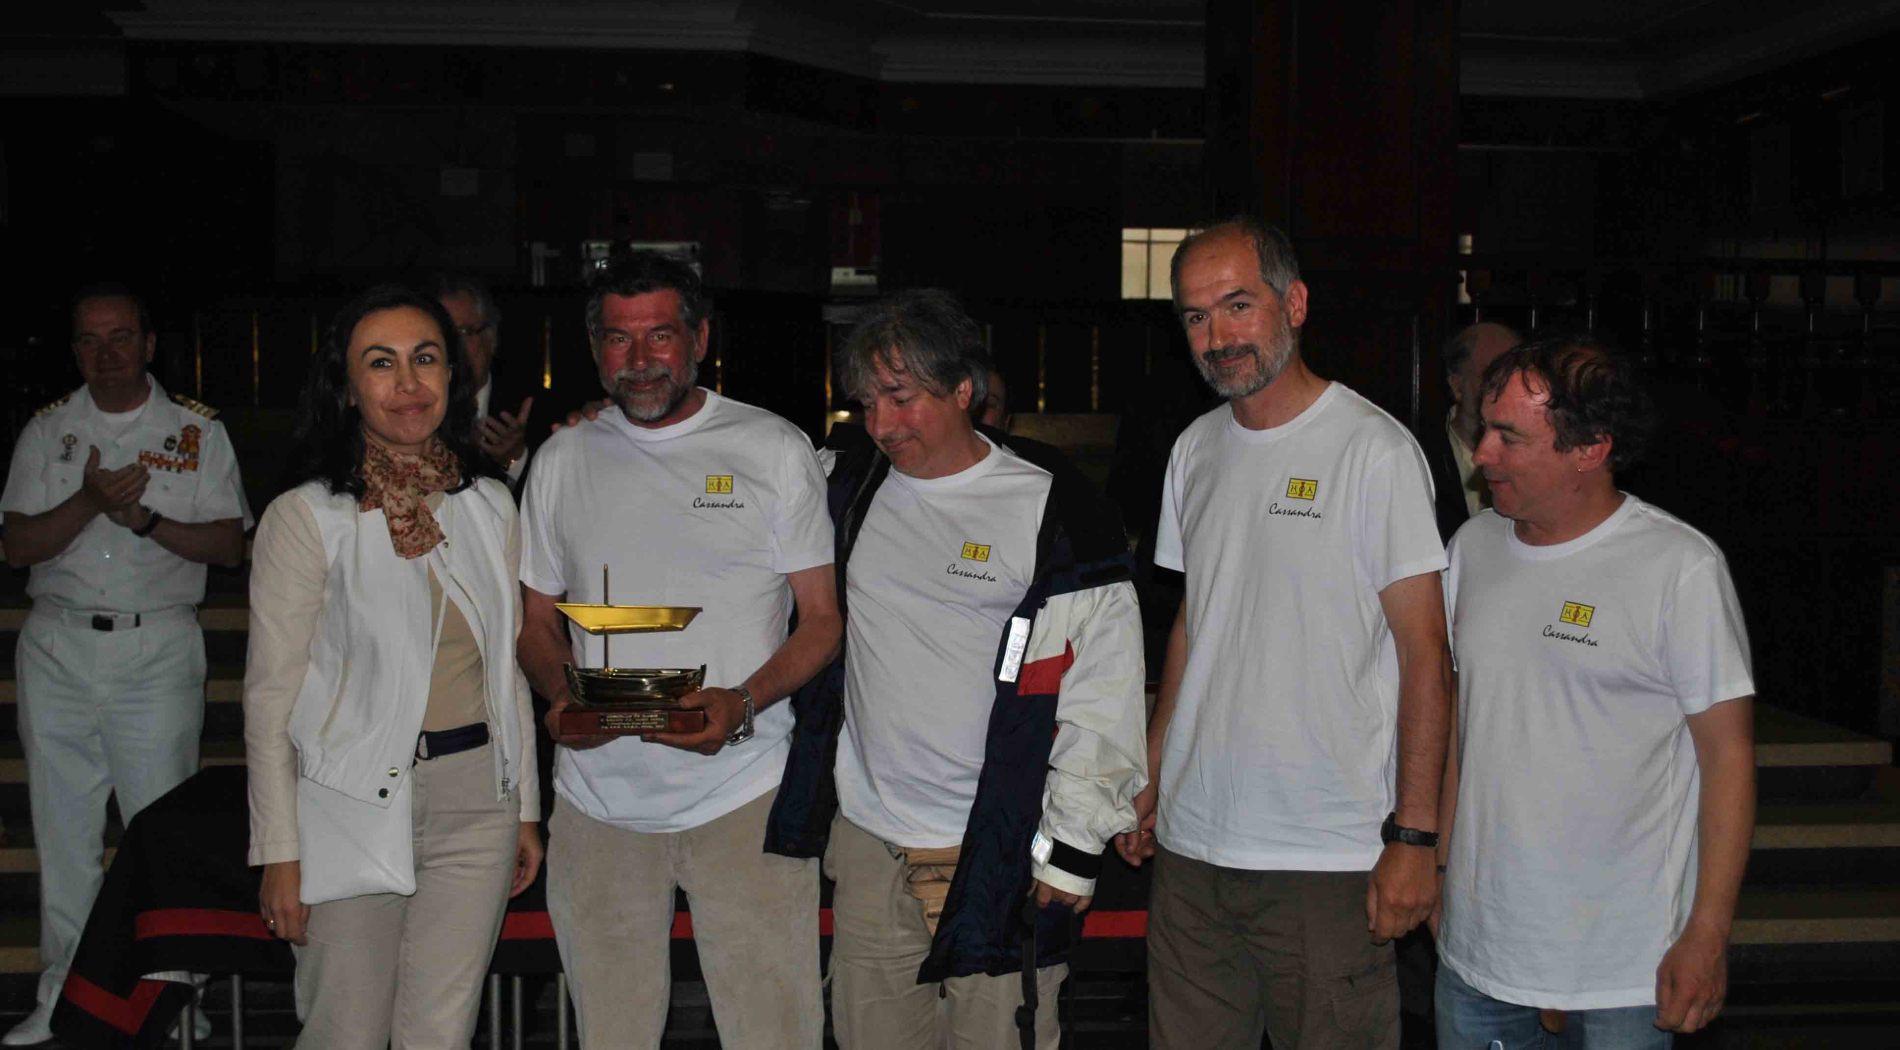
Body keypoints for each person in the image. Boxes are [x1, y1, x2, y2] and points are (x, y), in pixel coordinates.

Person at [767, 289, 1148, 1050]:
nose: (882, 424)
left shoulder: (1055, 509)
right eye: (867, 402)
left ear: (964, 389)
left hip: (1001, 846)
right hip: (871, 842)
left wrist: (1072, 853)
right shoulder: (846, 484)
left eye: (901, 398)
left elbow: (1102, 691)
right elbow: (731, 480)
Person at [1114, 217, 1453, 1050]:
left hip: (1326, 852)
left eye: (1238, 306)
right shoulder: (1194, 450)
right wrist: (1154, 766)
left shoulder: (1373, 450)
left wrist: (1416, 836)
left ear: (1294, 303)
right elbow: (1198, 620)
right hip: (1195, 845)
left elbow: (1426, 656)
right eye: (1196, 317)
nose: (1218, 337)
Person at [516, 251, 840, 1049]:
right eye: (618, 339)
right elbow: (535, 624)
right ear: (595, 349)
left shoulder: (772, 447)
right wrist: (560, 696)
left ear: (699, 338)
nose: (640, 359)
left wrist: (742, 702)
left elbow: (823, 621)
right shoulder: (560, 459)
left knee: (775, 1036)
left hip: (745, 793)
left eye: (659, 335)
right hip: (597, 805)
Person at [1434, 337, 1756, 1048]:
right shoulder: (1471, 550)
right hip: (1479, 957)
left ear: (1590, 449)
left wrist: (1708, 934)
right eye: (1484, 429)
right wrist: (1442, 870)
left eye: (1509, 437)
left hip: (1626, 970)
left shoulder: (1678, 567)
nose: (1482, 453)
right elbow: (1464, 729)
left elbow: (1728, 761)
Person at [244, 285, 543, 1049]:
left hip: (477, 800)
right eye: (381, 364)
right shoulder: (308, 516)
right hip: (351, 802)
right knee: (345, 1031)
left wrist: (524, 808)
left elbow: (505, 668)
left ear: (453, 376)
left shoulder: (488, 504)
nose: (408, 383)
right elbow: (271, 699)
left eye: (425, 359)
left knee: (440, 1032)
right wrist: (279, 852)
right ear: (347, 388)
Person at [1, 284, 251, 1046]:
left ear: (149, 344)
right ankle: (64, 996)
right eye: (88, 339)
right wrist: (88, 503)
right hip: (59, 644)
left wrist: (143, 519)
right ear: (74, 350)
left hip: (156, 646)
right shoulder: (48, 430)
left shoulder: (196, 432)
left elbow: (229, 545)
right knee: (64, 835)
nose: (104, 353)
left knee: (160, 834)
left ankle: (172, 1000)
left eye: (119, 337)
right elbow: (16, 545)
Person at [432, 274, 538, 485]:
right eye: (442, 335)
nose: (452, 347)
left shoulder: (529, 410)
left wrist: (514, 459)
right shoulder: (416, 410)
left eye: (463, 332)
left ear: (491, 337)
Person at [1424, 322, 1520, 541]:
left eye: (1517, 372)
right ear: (1457, 385)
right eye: (1493, 375)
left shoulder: (1541, 451)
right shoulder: (1420, 453)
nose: (1508, 386)